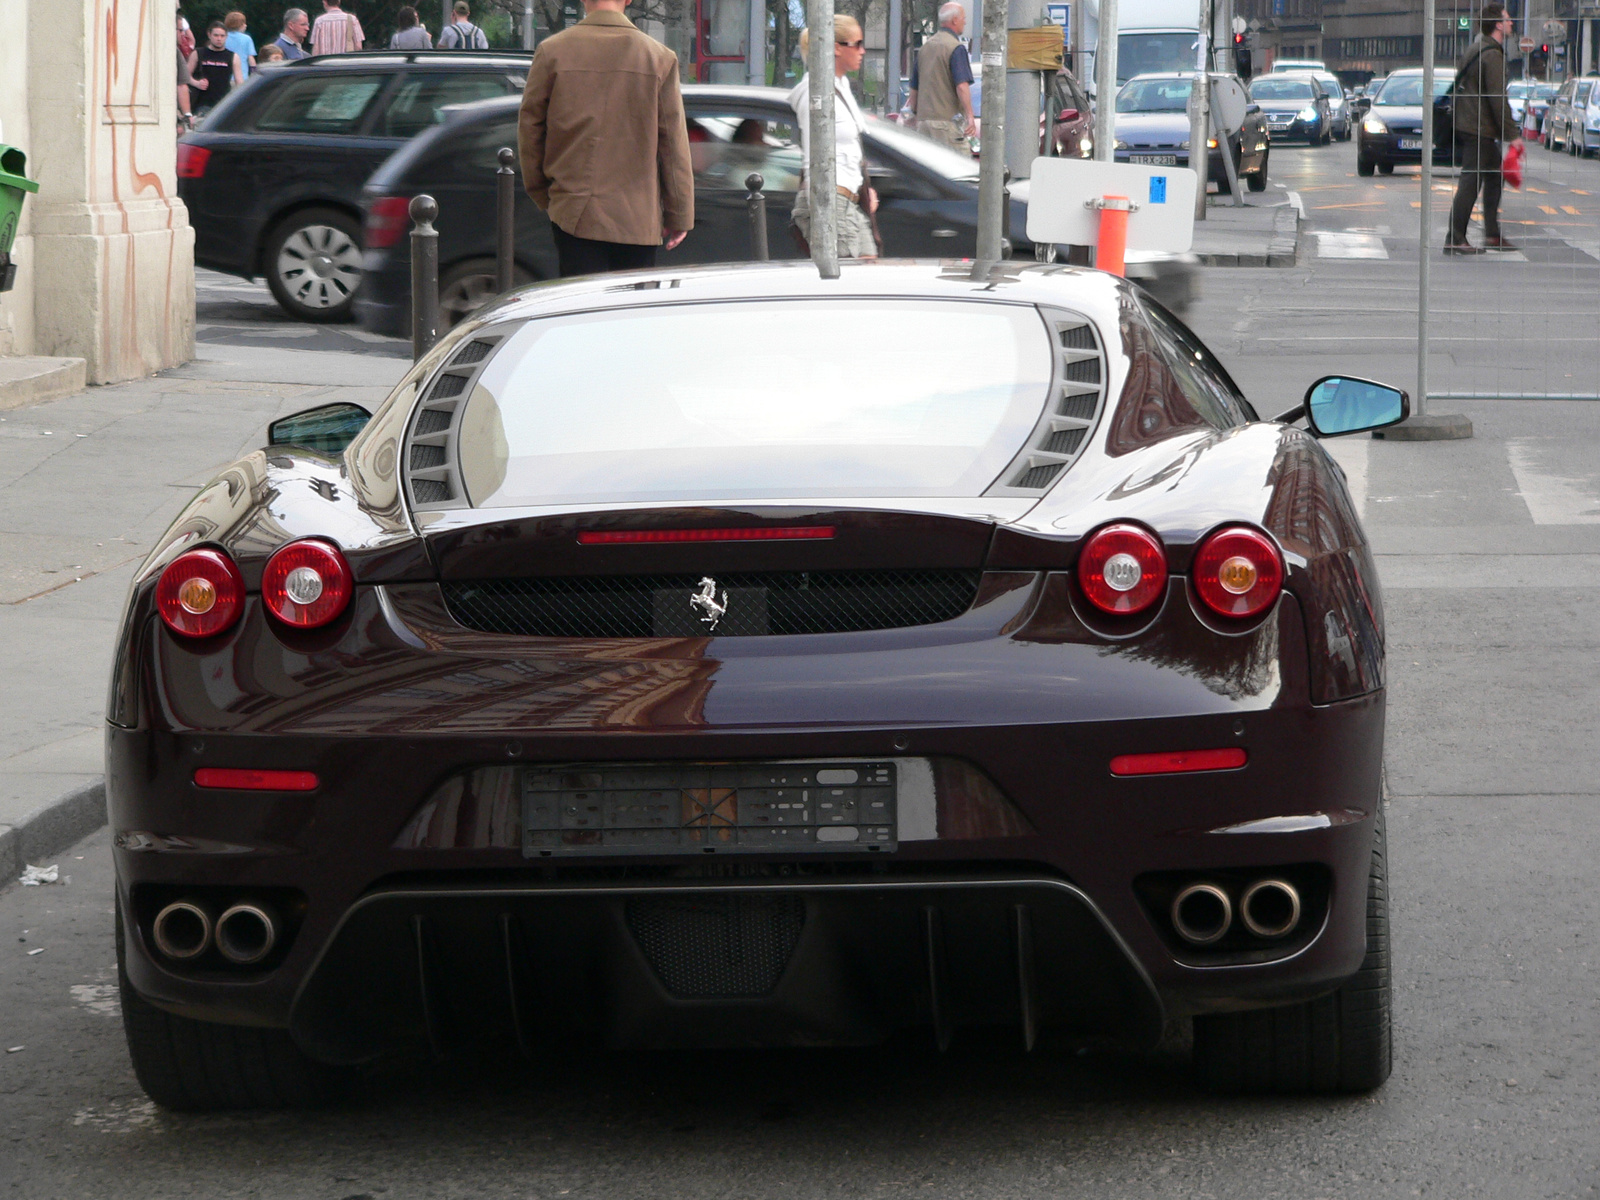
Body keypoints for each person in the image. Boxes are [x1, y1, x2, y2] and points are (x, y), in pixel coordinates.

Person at [518, 0, 693, 276]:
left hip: (574, 212)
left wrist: (545, 194)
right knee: (630, 314)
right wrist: (679, 212)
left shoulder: (552, 52)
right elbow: (673, 144)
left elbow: (531, 130)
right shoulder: (659, 57)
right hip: (639, 218)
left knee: (581, 312)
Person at [787, 15, 877, 261]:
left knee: (871, 269)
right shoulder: (815, 91)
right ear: (836, 47)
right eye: (856, 43)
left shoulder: (841, 86)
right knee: (849, 283)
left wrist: (863, 187)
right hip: (830, 201)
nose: (862, 50)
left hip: (847, 200)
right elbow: (814, 152)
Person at [1446, 1, 1520, 254]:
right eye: (1508, 19)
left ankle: (1491, 235)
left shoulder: (1477, 49)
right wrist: (1513, 135)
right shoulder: (1492, 54)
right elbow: (1498, 99)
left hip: (1473, 125)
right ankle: (1456, 238)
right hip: (1478, 128)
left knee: (1493, 177)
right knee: (1471, 181)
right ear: (1498, 24)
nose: (1511, 23)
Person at [908, 2, 976, 152]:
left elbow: (914, 89)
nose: (965, 21)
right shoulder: (955, 48)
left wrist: (914, 114)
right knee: (960, 168)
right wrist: (970, 117)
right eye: (963, 18)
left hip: (923, 124)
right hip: (946, 124)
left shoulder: (925, 48)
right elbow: (961, 86)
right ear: (954, 20)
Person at [190, 21, 244, 114]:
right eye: (216, 35)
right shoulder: (198, 53)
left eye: (222, 36)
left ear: (226, 37)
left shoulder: (233, 56)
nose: (219, 39)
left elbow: (239, 82)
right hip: (202, 103)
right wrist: (196, 83)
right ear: (209, 35)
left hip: (223, 103)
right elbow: (185, 75)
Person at [223, 11, 257, 78]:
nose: (245, 25)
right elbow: (251, 58)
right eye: (243, 23)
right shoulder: (247, 39)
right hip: (242, 76)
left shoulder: (223, 37)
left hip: (224, 76)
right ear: (240, 25)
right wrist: (254, 73)